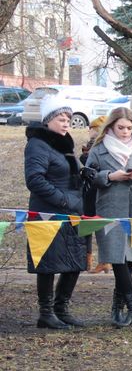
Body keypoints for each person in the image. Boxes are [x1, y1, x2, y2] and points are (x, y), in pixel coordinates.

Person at [84, 107, 132, 327]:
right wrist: (110, 176)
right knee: (116, 257)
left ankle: (118, 306)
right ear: (111, 127)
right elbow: (88, 176)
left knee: (129, 257)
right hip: (109, 210)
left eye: (129, 128)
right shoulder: (99, 149)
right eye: (121, 127)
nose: (125, 132)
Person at [24, 95, 88, 330]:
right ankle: (46, 313)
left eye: (68, 119)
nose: (66, 123)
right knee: (49, 263)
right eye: (61, 119)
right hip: (48, 214)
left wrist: (84, 173)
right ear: (48, 120)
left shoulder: (64, 144)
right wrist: (62, 201)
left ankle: (62, 309)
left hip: (72, 211)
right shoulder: (38, 144)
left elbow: (65, 173)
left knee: (74, 261)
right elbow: (34, 179)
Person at [81, 115, 111, 274]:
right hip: (93, 190)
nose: (89, 131)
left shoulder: (97, 146)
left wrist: (84, 157)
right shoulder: (94, 145)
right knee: (92, 225)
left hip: (93, 191)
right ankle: (97, 261)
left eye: (91, 128)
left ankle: (95, 261)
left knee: (90, 224)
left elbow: (90, 168)